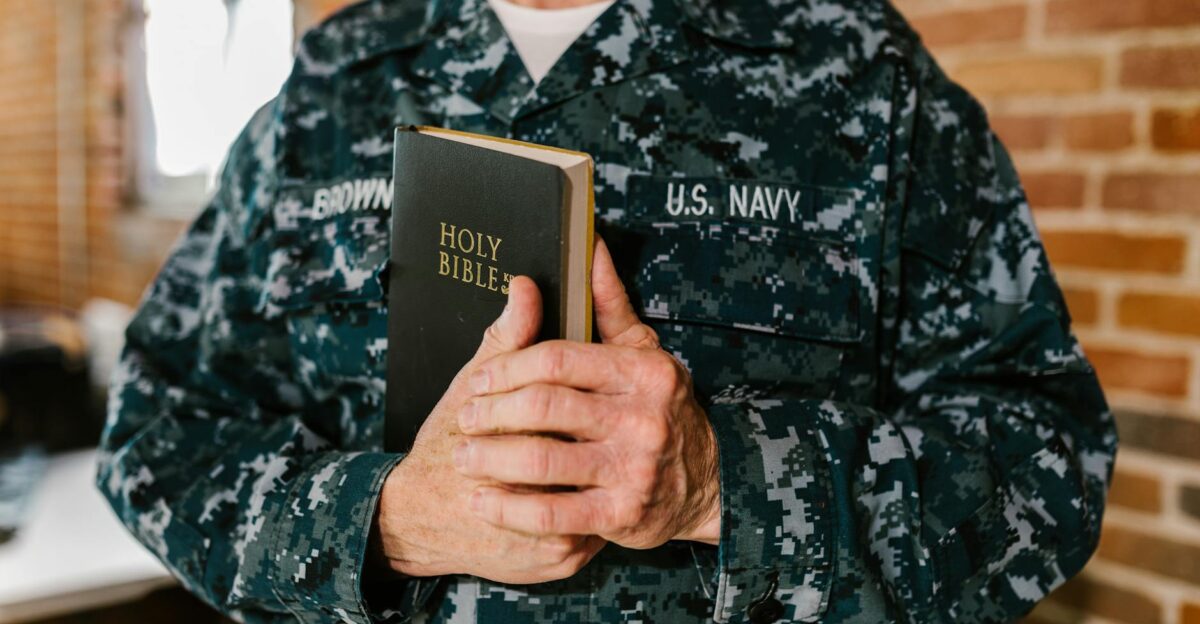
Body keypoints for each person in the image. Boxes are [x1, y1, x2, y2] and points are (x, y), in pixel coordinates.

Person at [96, 0, 1118, 621]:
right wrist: (389, 520)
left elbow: (1049, 456)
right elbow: (158, 435)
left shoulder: (857, 70)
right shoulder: (332, 82)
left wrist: (723, 483)